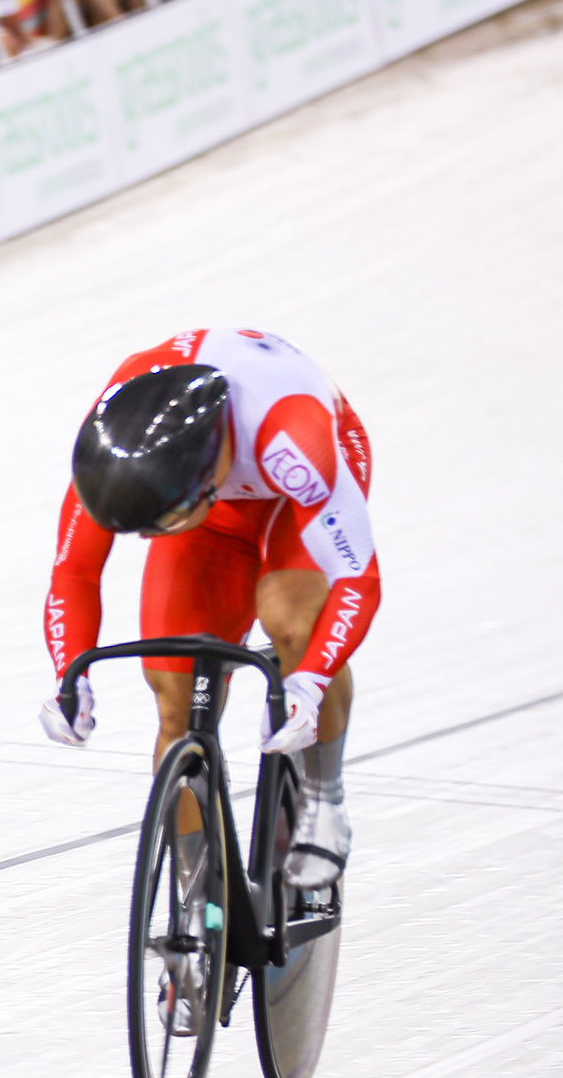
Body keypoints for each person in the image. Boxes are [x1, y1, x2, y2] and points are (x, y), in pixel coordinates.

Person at [40, 329, 377, 905]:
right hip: (210, 506)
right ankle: (197, 904)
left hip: (295, 488)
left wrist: (310, 681)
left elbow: (358, 579)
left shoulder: (294, 438)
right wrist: (70, 675)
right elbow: (74, 572)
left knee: (291, 619)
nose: (147, 538)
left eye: (157, 524)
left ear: (201, 486)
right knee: (173, 688)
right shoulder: (116, 449)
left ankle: (325, 798)